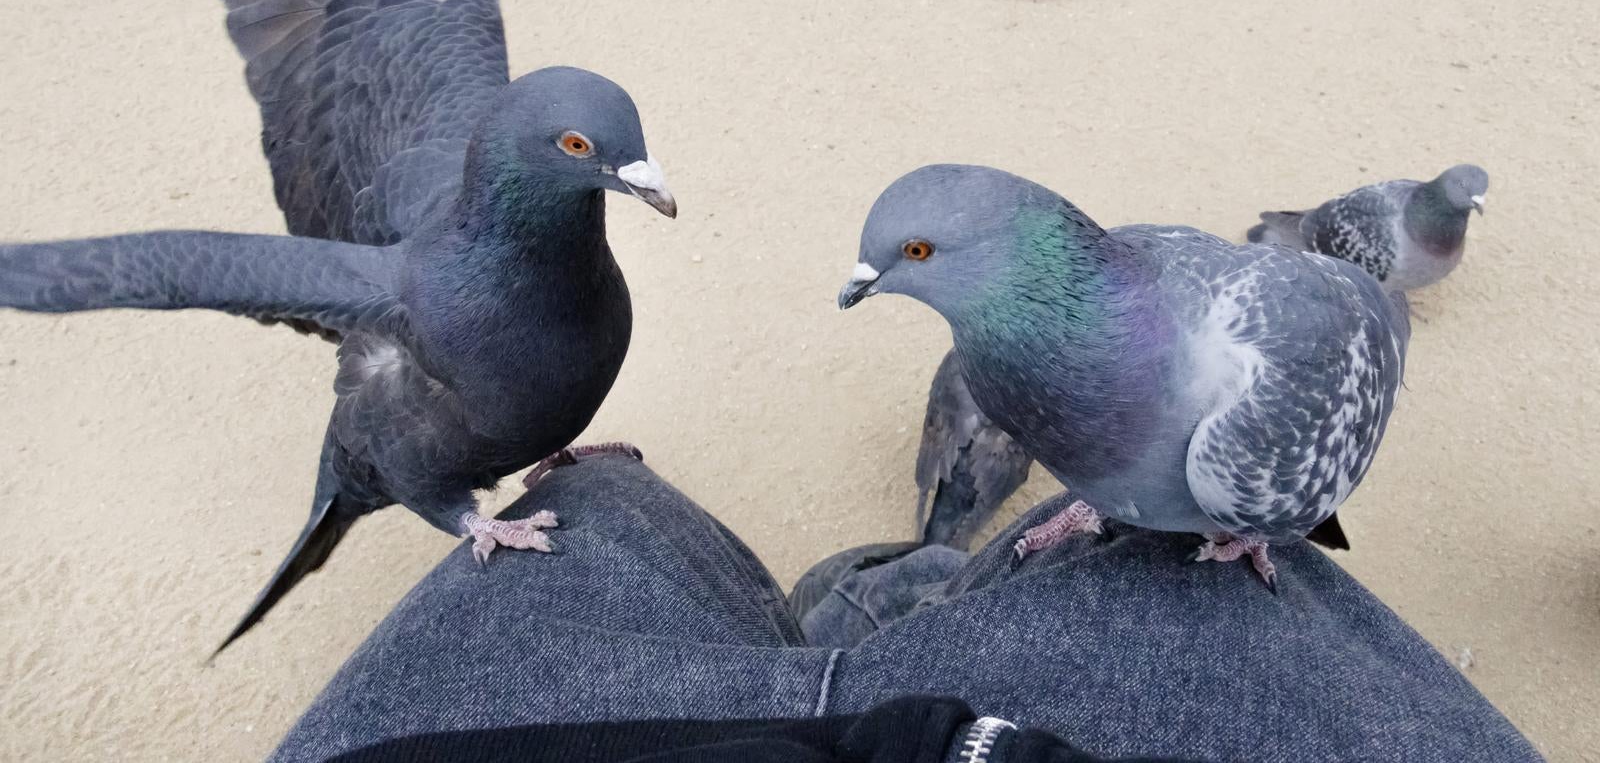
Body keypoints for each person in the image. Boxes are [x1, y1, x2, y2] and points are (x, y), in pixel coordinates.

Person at [272, 455, 1541, 762]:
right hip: (1070, 731)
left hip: (473, 739)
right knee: (1179, 523)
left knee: (587, 501)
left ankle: (896, 597)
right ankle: (927, 585)